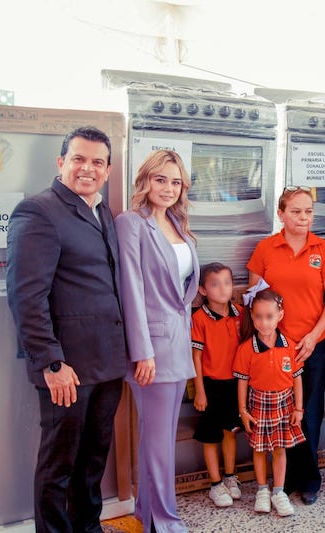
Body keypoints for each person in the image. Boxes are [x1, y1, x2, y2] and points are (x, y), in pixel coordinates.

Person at [6, 126, 127, 533]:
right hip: (67, 367)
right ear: (61, 162)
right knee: (59, 464)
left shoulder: (102, 210)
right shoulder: (37, 211)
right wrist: (51, 363)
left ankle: (88, 528)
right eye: (78, 158)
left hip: (107, 362)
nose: (87, 168)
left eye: (97, 162)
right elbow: (26, 297)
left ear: (107, 170)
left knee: (93, 459)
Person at [115, 149, 200, 531]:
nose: (168, 188)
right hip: (152, 349)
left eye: (175, 182)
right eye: (160, 179)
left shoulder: (177, 224)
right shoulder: (131, 223)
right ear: (145, 181)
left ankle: (149, 515)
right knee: (158, 441)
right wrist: (142, 352)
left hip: (177, 343)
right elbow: (130, 288)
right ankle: (166, 521)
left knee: (159, 437)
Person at [247, 186, 325, 505]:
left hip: (311, 346)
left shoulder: (323, 250)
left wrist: (314, 335)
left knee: (309, 413)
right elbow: (254, 298)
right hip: (275, 349)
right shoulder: (265, 248)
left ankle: (310, 478)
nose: (304, 217)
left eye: (308, 212)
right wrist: (268, 338)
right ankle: (284, 481)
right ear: (281, 214)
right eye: (296, 211)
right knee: (279, 413)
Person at [233, 288, 306, 517]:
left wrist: (299, 408)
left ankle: (278, 492)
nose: (263, 323)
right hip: (258, 404)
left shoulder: (290, 346)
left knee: (279, 449)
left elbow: (297, 379)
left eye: (269, 316)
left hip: (284, 404)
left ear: (280, 315)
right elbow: (242, 382)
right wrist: (243, 410)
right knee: (259, 449)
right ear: (252, 316)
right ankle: (262, 490)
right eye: (258, 317)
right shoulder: (246, 349)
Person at [191, 262, 243, 507]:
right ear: (202, 290)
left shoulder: (240, 313)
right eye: (215, 284)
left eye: (227, 283)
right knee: (211, 436)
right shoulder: (199, 318)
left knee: (230, 431)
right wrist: (200, 391)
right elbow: (196, 357)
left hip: (235, 384)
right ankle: (215, 484)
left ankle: (231, 477)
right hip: (211, 385)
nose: (223, 289)